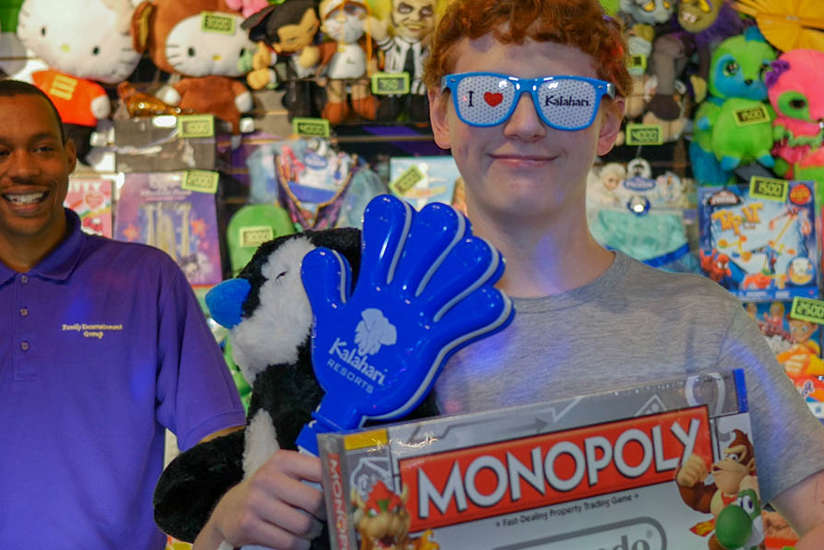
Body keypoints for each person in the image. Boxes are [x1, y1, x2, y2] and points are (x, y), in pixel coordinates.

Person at [191, 1, 824, 549]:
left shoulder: (700, 324)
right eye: (488, 95)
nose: (524, 123)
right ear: (442, 115)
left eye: (565, 99)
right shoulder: (347, 325)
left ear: (607, 122)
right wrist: (231, 521)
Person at [0, 79, 246, 549]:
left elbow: (220, 443)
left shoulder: (146, 278)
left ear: (70, 156)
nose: (23, 169)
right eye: (0, 152)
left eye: (42, 148)